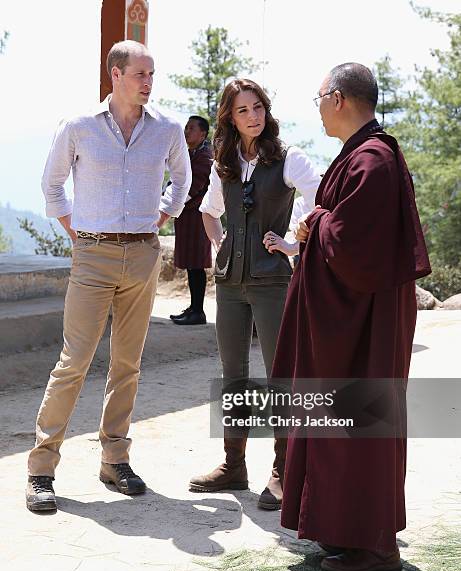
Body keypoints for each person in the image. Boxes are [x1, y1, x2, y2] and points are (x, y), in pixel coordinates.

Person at [272, 63, 431, 571]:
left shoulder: (374, 161)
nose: (316, 107)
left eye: (319, 97)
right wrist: (321, 223)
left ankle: (375, 545)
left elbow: (354, 246)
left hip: (366, 324)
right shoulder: (362, 155)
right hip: (354, 316)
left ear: (338, 98)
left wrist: (315, 222)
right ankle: (346, 532)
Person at [26, 40, 191, 512]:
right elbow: (51, 184)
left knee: (128, 364)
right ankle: (41, 467)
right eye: (140, 73)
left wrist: (163, 214)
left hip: (143, 255)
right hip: (92, 255)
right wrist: (74, 232)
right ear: (115, 74)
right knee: (74, 361)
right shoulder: (79, 126)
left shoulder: (167, 129)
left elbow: (183, 180)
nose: (148, 82)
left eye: (152, 74)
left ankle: (114, 460)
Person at [189, 78, 320, 510]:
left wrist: (292, 242)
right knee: (234, 375)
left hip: (272, 283)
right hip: (229, 284)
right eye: (243, 110)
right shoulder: (223, 162)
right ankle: (233, 465)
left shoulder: (287, 157)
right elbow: (209, 211)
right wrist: (219, 241)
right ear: (230, 116)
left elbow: (320, 196)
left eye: (259, 106)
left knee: (280, 376)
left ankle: (283, 469)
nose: (254, 116)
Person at [169, 116, 213, 325]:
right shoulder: (189, 153)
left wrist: (170, 204)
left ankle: (198, 311)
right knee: (191, 264)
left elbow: (194, 184)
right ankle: (194, 307)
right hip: (186, 216)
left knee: (196, 264)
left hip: (198, 217)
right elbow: (177, 179)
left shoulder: (205, 156)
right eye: (185, 128)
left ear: (202, 134)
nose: (186, 132)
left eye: (191, 128)